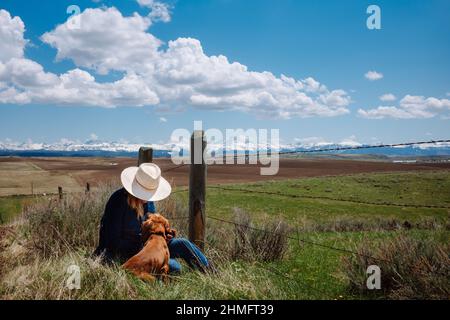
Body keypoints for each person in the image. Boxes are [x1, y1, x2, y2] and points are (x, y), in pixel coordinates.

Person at [94, 162, 209, 273]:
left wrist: (163, 236)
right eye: (145, 192)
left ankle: (210, 274)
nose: (148, 197)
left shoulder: (149, 202)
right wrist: (144, 244)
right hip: (123, 253)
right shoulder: (118, 201)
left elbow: (152, 227)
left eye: (149, 192)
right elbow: (112, 242)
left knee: (183, 244)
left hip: (149, 246)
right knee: (174, 267)